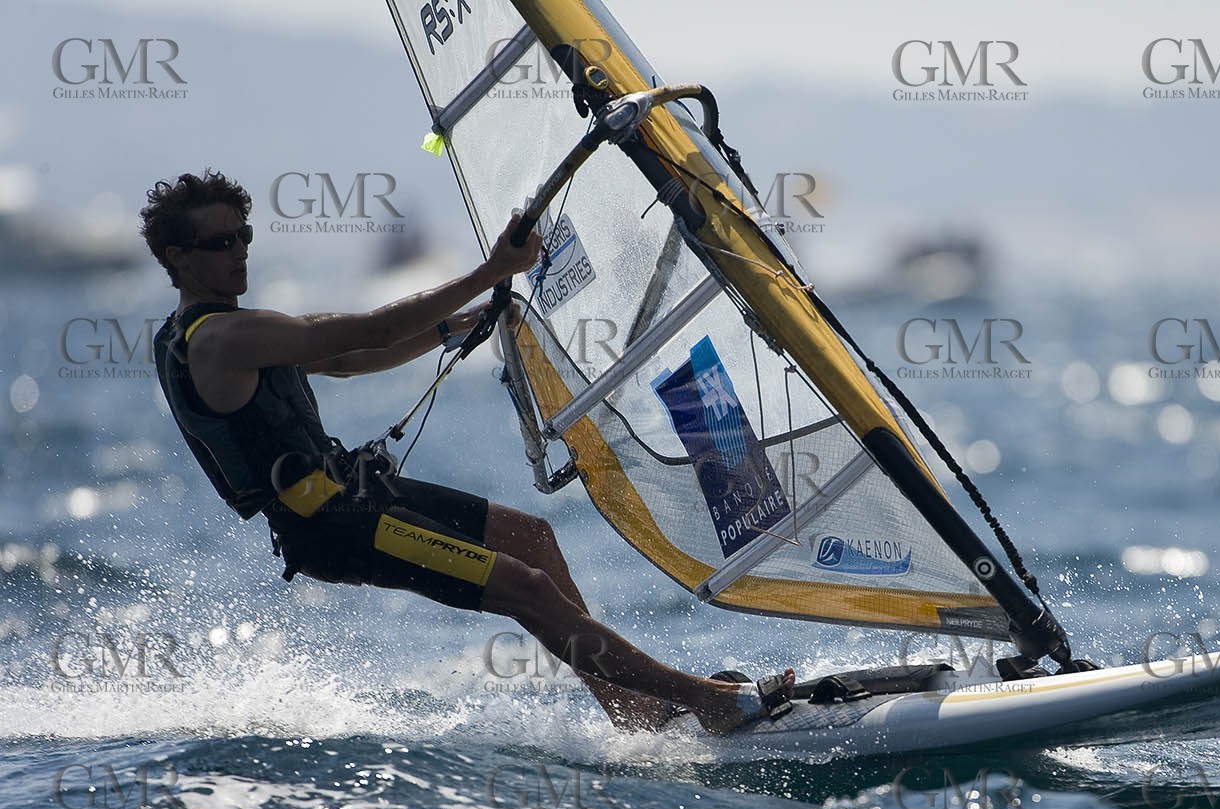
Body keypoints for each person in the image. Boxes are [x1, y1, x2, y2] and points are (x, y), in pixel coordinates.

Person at [139, 170, 792, 734]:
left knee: (531, 539)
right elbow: (371, 327)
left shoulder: (240, 329)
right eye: (220, 243)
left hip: (353, 495)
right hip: (327, 526)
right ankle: (707, 701)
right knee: (525, 587)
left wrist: (465, 322)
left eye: (243, 236)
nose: (238, 252)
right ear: (178, 258)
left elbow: (346, 354)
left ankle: (634, 711)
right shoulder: (218, 340)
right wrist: (492, 271)